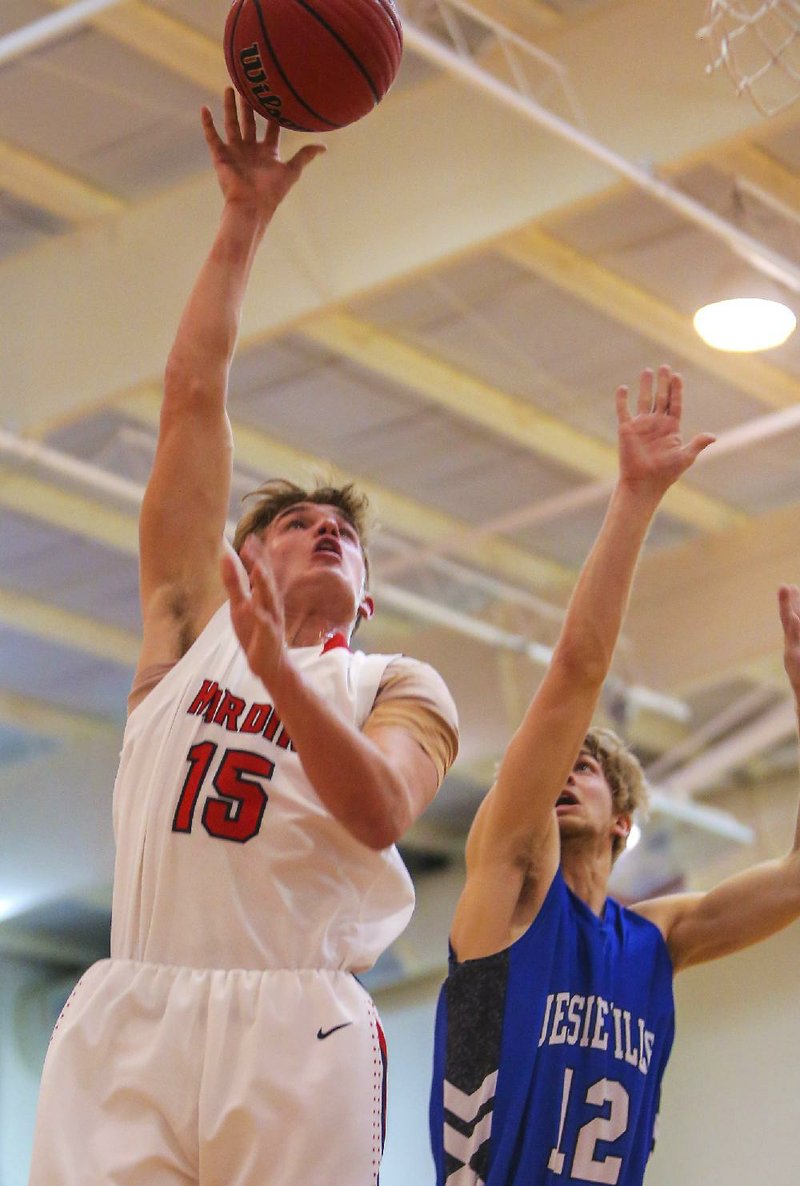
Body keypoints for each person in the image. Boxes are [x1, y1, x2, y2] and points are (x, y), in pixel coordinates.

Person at [28, 90, 458, 1186]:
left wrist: (282, 673)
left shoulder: (397, 680)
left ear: (363, 596)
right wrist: (241, 225)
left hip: (295, 1021)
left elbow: (379, 810)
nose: (323, 533)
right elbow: (190, 400)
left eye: (343, 536)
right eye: (292, 524)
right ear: (245, 558)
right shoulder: (184, 630)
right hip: (134, 1000)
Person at [430, 366, 800, 1186]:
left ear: (623, 821)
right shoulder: (514, 881)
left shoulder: (657, 941)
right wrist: (634, 499)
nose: (564, 770)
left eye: (586, 768)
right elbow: (576, 669)